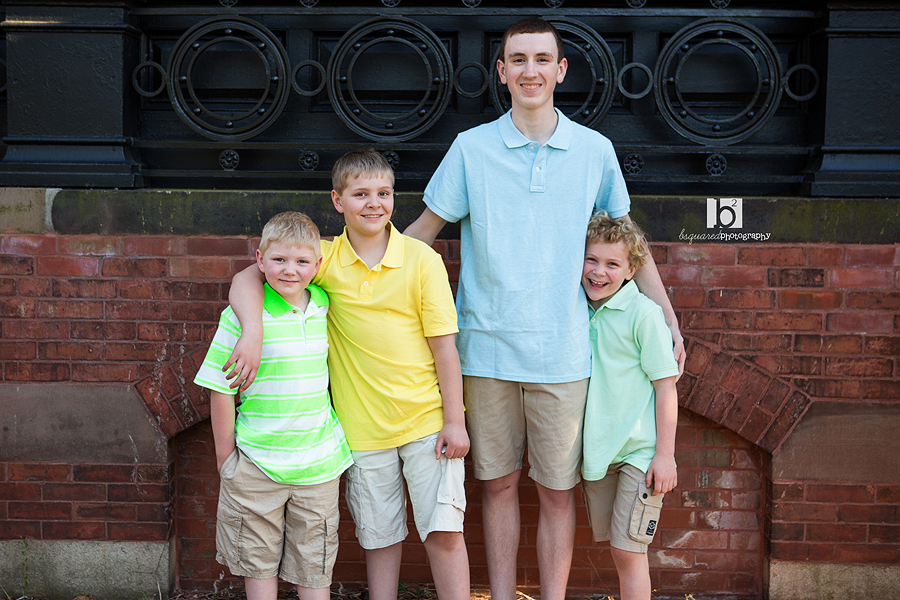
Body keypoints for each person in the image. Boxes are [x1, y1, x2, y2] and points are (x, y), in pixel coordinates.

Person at [401, 17, 685, 600]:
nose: (530, 70)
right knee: (498, 486)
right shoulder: (472, 148)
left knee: (557, 493)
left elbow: (629, 244)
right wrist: (352, 280)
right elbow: (420, 236)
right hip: (486, 350)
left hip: (564, 353)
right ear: (502, 72)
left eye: (541, 59)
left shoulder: (594, 151)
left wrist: (667, 317)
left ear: (561, 70)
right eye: (518, 60)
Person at [227, 149, 471, 600]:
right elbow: (247, 276)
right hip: (361, 429)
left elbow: (445, 348)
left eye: (384, 193)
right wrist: (253, 332)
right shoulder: (323, 259)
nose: (374, 203)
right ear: (338, 201)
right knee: (379, 537)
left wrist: (455, 419)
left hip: (426, 422)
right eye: (361, 194)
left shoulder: (421, 259)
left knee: (444, 531)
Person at [194, 211, 353, 600]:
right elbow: (220, 387)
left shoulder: (324, 305)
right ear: (260, 260)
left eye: (301, 261)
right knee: (258, 566)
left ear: (317, 265)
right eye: (279, 259)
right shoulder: (241, 317)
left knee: (314, 568)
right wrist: (225, 459)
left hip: (318, 467)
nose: (290, 270)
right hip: (256, 465)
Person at [579, 211, 679, 600]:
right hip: (601, 452)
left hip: (640, 454)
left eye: (612, 264)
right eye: (591, 260)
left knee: (629, 549)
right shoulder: (580, 309)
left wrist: (665, 456)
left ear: (631, 270)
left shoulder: (644, 315)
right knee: (617, 547)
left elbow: (666, 388)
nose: (598, 272)